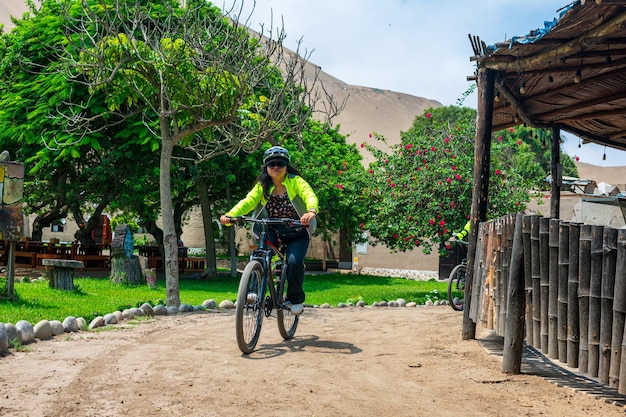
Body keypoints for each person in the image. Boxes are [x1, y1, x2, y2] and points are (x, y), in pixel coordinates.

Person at [219, 146, 318, 316]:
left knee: (294, 262)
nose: (276, 167)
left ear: (287, 166)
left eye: (280, 164)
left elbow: (309, 194)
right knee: (259, 254)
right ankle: (253, 291)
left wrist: (310, 211)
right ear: (266, 167)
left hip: (297, 231)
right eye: (272, 164)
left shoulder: (296, 182)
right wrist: (231, 215)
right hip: (272, 229)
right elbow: (248, 202)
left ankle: (295, 298)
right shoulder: (262, 186)